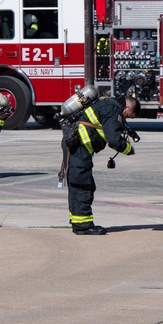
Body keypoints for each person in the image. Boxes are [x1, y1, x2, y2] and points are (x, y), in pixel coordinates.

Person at [61, 95, 138, 235]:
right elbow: (113, 140)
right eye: (129, 115)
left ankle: (78, 222)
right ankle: (83, 226)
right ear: (127, 107)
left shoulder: (107, 104)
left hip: (76, 145)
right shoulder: (114, 110)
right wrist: (129, 150)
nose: (127, 118)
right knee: (83, 185)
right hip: (79, 147)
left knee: (76, 183)